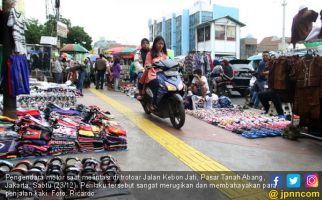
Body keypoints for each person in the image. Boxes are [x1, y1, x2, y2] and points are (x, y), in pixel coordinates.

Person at [138, 36, 168, 105]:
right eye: (159, 43)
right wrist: (149, 65)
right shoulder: (150, 53)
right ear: (155, 44)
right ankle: (153, 103)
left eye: (162, 44)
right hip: (152, 73)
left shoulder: (164, 55)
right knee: (156, 83)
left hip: (163, 73)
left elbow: (169, 62)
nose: (161, 45)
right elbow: (147, 63)